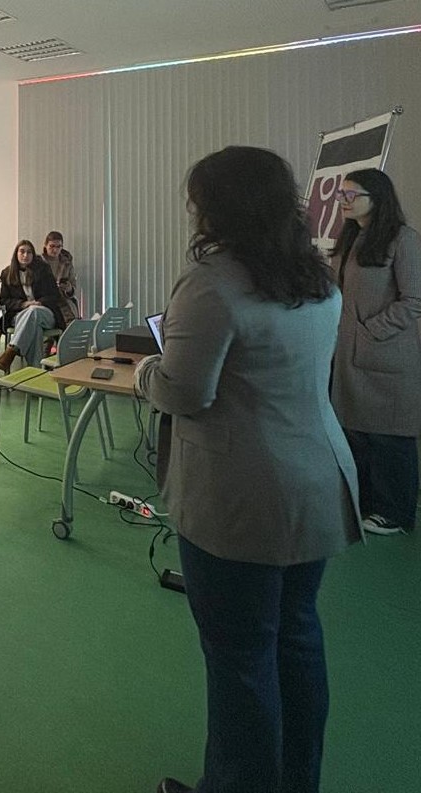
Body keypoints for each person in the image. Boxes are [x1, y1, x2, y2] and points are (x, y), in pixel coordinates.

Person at [134, 146, 361, 793]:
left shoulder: (212, 283)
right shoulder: (314, 275)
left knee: (239, 657)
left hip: (243, 500)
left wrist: (145, 370)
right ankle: (297, 780)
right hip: (316, 485)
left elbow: (184, 392)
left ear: (220, 207)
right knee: (296, 637)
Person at [329, 169, 421, 535]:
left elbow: (415, 300)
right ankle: (364, 503)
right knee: (356, 433)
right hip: (349, 355)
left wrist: (372, 332)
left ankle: (395, 512)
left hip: (386, 355)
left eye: (351, 195)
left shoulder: (403, 240)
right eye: (341, 195)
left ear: (377, 198)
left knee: (390, 437)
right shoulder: (351, 238)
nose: (343, 202)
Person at [0, 239, 69, 372]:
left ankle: (12, 350)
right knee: (35, 327)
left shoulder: (43, 269)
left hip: (45, 313)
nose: (25, 255)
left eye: (29, 252)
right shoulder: (7, 273)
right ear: (16, 254)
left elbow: (54, 295)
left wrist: (39, 302)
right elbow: (4, 300)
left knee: (34, 311)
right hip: (19, 315)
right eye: (22, 251)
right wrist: (23, 304)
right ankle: (35, 371)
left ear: (33, 255)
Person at [41, 231, 78, 322]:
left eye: (58, 247)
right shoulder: (38, 263)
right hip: (44, 301)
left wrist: (69, 289)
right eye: (52, 246)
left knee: (71, 320)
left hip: (63, 300)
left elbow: (73, 287)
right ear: (45, 245)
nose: (55, 250)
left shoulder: (66, 263)